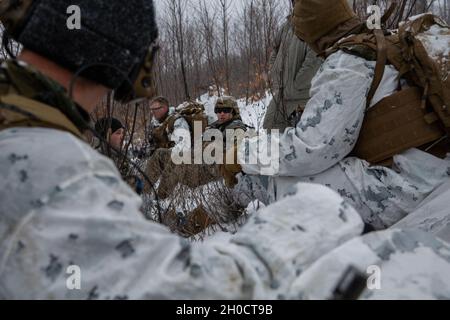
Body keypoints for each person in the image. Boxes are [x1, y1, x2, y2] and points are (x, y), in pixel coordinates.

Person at [0, 0, 364, 299]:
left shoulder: (26, 133)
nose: (220, 113)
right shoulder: (56, 168)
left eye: (225, 110)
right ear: (127, 58)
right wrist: (316, 215)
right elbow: (193, 295)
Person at [237, 0, 450, 230]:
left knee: (285, 184)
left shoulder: (348, 62)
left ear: (314, 34)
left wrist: (242, 155)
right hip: (434, 166)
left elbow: (311, 149)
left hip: (409, 186)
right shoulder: (386, 42)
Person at [263, 2, 322, 131]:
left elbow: (314, 59)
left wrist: (297, 85)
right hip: (282, 93)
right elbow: (275, 48)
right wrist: (273, 70)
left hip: (303, 96)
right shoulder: (287, 26)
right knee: (269, 128)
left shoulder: (315, 25)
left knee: (301, 138)